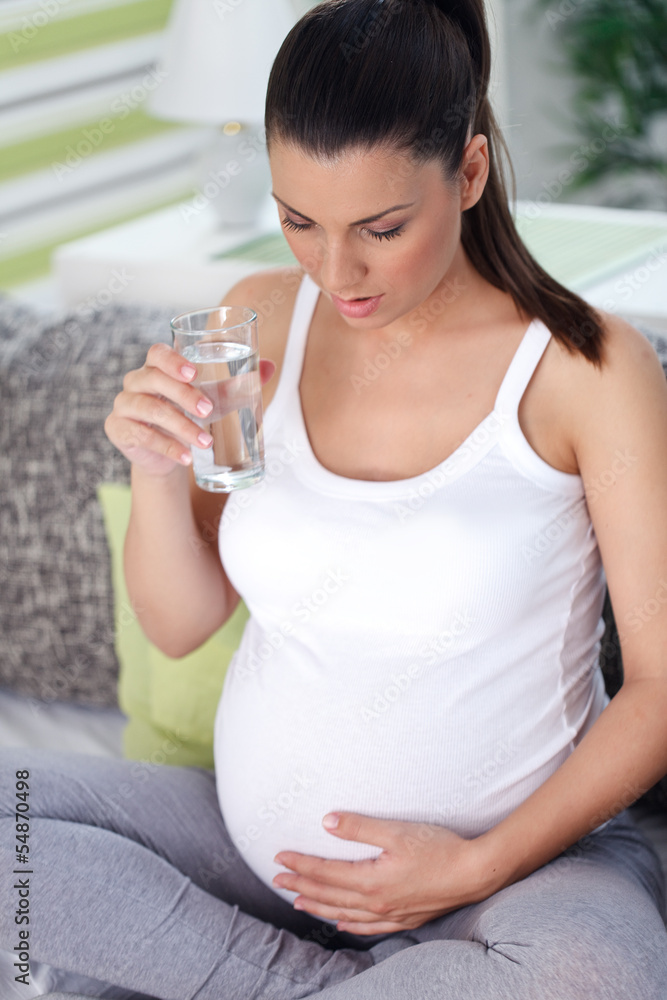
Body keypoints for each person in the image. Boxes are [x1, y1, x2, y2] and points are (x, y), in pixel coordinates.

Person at [2, 0, 667, 997]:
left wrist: (471, 866)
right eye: (298, 219)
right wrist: (153, 464)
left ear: (470, 173)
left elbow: (659, 688)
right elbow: (182, 625)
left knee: (592, 971)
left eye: (381, 227)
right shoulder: (255, 320)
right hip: (255, 857)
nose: (335, 270)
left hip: (510, 875)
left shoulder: (584, 367)